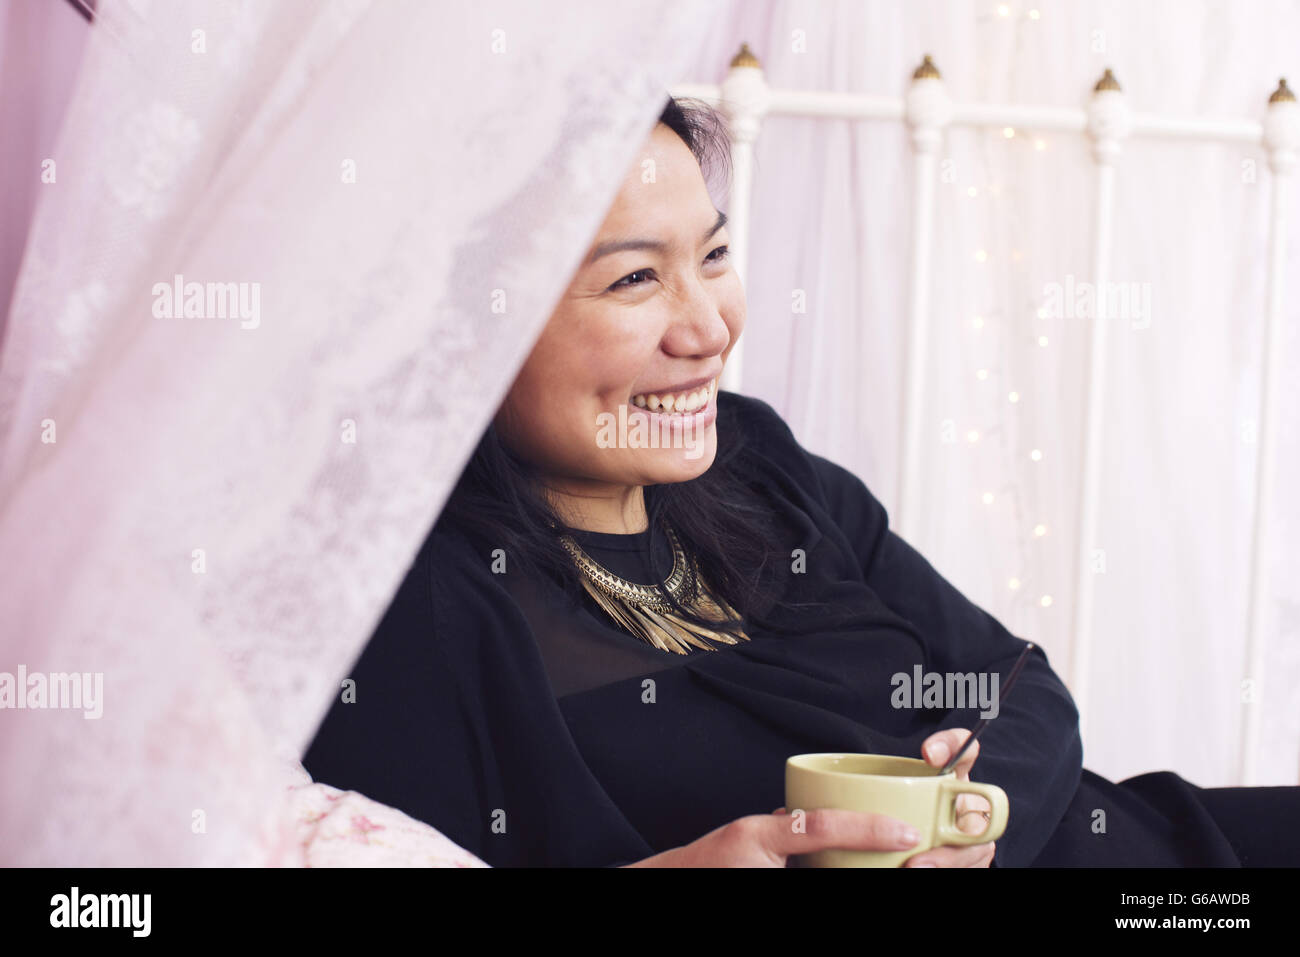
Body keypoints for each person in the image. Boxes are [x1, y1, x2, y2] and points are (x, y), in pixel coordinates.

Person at [302, 96, 1300, 868]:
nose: (707, 330)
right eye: (634, 279)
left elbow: (1014, 682)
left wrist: (979, 814)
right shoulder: (414, 607)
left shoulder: (754, 462)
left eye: (716, 255)